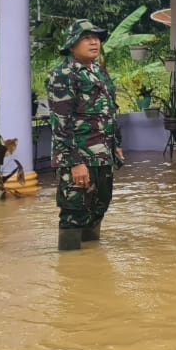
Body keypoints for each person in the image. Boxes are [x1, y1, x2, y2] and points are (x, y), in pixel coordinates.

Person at [48, 19, 123, 251]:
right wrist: (75, 163)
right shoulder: (62, 74)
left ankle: (91, 268)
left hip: (102, 155)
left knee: (99, 207)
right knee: (74, 211)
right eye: (86, 38)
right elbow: (61, 123)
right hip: (78, 157)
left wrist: (116, 144)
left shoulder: (99, 72)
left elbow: (109, 109)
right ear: (72, 45)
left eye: (96, 37)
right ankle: (70, 271)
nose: (94, 42)